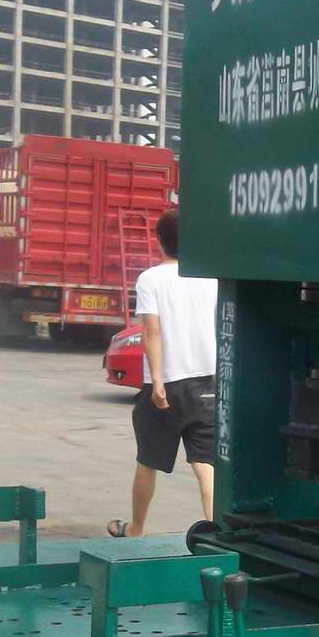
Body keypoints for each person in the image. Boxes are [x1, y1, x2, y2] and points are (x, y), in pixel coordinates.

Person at [109, 211, 217, 537]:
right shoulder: (211, 278)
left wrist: (157, 380)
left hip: (165, 383)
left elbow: (151, 331)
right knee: (205, 464)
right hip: (207, 381)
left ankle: (136, 529)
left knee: (148, 462)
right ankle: (217, 533)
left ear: (159, 240)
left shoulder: (151, 279)